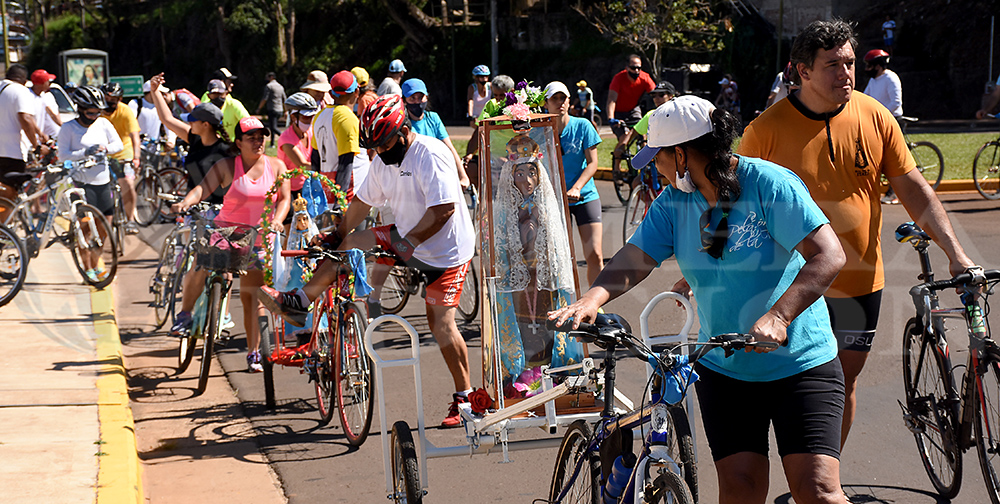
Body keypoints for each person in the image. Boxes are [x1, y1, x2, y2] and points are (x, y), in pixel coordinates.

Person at [549, 94, 849, 504]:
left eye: (659, 157)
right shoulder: (674, 202)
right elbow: (636, 257)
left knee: (816, 490)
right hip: (726, 369)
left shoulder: (769, 184)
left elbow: (829, 255)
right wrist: (594, 298)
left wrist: (780, 316)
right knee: (740, 488)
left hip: (801, 363)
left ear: (682, 154)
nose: (654, 166)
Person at [738, 19, 977, 455]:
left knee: (840, 384)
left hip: (861, 283)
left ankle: (825, 481)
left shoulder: (874, 114)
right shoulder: (764, 131)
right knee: (784, 389)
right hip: (793, 287)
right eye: (833, 65)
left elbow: (912, 188)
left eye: (849, 63)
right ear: (802, 71)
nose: (846, 73)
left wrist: (955, 254)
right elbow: (735, 208)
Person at [259, 94, 476, 427]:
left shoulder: (429, 155)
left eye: (385, 143)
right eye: (374, 145)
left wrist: (410, 242)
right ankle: (299, 301)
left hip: (445, 251)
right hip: (407, 236)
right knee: (347, 244)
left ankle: (466, 399)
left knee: (441, 325)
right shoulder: (381, 161)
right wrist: (337, 233)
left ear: (403, 131)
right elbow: (361, 202)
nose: (380, 152)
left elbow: (444, 209)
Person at [171, 116, 291, 373]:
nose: (258, 142)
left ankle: (254, 353)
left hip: (260, 237)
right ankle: (185, 315)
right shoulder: (226, 166)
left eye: (261, 137)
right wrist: (185, 203)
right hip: (227, 233)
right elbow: (202, 190)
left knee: (252, 298)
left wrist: (279, 220)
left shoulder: (277, 166)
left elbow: (284, 199)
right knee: (201, 263)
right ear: (238, 142)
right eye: (251, 137)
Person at [146, 73, 232, 338]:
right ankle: (185, 314)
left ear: (205, 124)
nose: (189, 122)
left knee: (226, 268)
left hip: (222, 211)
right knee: (196, 261)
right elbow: (167, 119)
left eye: (193, 119)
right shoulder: (193, 139)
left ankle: (222, 312)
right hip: (194, 207)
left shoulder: (227, 151)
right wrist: (155, 91)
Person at [58, 86, 124, 282]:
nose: (94, 116)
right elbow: (63, 155)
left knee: (104, 228)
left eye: (97, 112)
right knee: (85, 230)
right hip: (81, 184)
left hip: (103, 182)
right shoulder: (68, 128)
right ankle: (87, 268)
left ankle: (96, 265)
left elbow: (118, 145)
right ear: (80, 109)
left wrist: (105, 148)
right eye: (90, 112)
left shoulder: (103, 124)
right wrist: (85, 152)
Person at [543, 81, 604, 286]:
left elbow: (593, 163)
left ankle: (596, 304)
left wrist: (577, 187)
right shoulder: (540, 130)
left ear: (569, 101)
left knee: (594, 253)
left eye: (563, 98)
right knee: (560, 256)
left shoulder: (583, 125)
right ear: (546, 103)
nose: (560, 103)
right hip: (554, 200)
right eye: (555, 99)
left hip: (584, 196)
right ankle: (566, 300)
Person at [310, 70, 369, 201]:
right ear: (356, 92)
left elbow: (315, 157)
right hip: (349, 195)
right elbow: (346, 161)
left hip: (327, 188)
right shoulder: (347, 118)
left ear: (331, 94)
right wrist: (340, 201)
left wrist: (317, 190)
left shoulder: (320, 116)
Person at [401, 78, 470, 188]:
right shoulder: (402, 123)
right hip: (412, 178)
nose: (417, 102)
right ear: (404, 100)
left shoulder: (433, 118)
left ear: (426, 97)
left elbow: (450, 148)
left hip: (435, 172)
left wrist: (463, 176)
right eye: (412, 98)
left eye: (421, 97)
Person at [100, 82, 142, 234]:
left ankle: (130, 220)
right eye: (106, 100)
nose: (108, 104)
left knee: (128, 185)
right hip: (102, 154)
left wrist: (136, 158)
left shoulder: (126, 111)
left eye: (113, 100)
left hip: (123, 153)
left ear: (120, 99)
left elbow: (135, 137)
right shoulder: (96, 111)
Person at [607, 54, 655, 177]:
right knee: (624, 136)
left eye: (639, 68)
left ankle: (646, 161)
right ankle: (617, 166)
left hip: (633, 109)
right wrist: (611, 118)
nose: (636, 71)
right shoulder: (619, 78)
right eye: (633, 68)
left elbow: (655, 94)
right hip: (618, 112)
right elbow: (611, 100)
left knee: (642, 133)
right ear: (627, 67)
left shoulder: (645, 77)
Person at [1, 64, 42, 203]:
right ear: (24, 80)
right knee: (10, 197)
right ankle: (6, 224)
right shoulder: (20, 90)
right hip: (11, 153)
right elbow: (25, 118)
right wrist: (36, 145)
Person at [463, 74, 515, 169]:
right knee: (469, 168)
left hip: (514, 157)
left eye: (502, 95)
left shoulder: (519, 108)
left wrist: (511, 158)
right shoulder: (491, 105)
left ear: (512, 92)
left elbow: (526, 136)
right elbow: (479, 130)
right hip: (492, 156)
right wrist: (470, 154)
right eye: (495, 95)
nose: (498, 99)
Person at [278, 92, 319, 197]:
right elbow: (303, 165)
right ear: (293, 117)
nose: (309, 121)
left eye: (312, 117)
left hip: (308, 184)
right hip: (290, 190)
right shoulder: (286, 140)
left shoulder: (310, 131)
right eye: (306, 117)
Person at [128, 80, 178, 148]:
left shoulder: (161, 106)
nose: (163, 96)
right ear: (151, 92)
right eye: (160, 93)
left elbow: (169, 124)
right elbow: (129, 123)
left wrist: (171, 141)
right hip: (137, 147)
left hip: (155, 148)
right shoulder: (135, 104)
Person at [862, 49, 902, 118]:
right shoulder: (873, 79)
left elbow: (896, 103)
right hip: (878, 118)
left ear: (877, 66)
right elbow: (865, 97)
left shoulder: (890, 78)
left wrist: (880, 114)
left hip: (892, 119)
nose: (866, 69)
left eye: (869, 66)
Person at [29, 69, 62, 140]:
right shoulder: (29, 96)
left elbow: (52, 113)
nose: (50, 84)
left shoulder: (43, 96)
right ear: (42, 83)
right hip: (29, 139)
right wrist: (40, 134)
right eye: (48, 82)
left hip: (38, 138)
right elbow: (29, 119)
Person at [256, 72, 286, 146]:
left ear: (271, 77)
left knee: (273, 127)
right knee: (273, 126)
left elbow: (265, 98)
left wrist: (259, 108)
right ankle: (272, 144)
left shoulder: (269, 86)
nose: (266, 79)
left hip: (272, 109)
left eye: (267, 77)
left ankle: (284, 137)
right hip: (280, 110)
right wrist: (286, 110)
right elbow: (284, 99)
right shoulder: (280, 86)